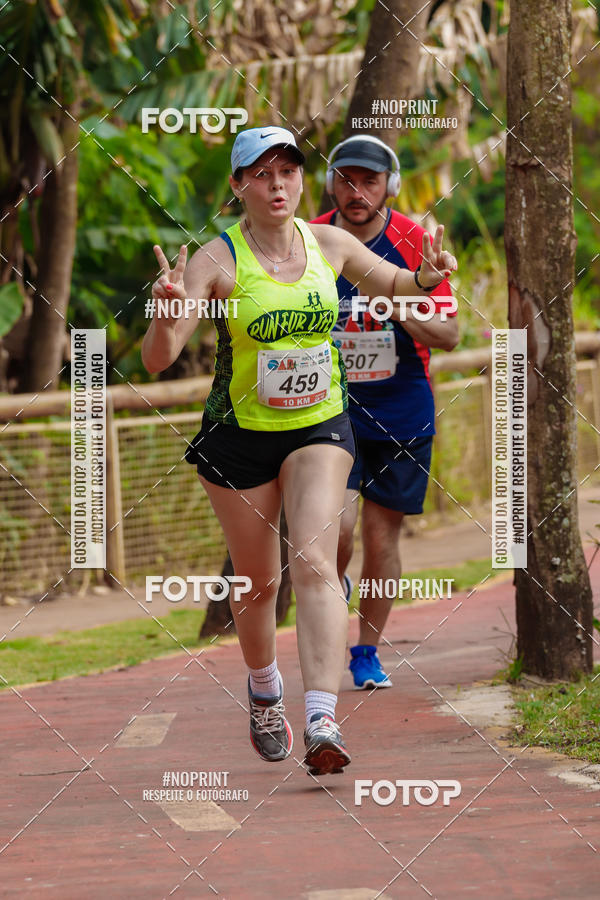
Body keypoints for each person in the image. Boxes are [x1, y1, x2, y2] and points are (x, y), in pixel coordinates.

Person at [141, 127, 457, 774]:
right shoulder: (215, 261)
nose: (278, 184)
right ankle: (264, 688)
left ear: (300, 181)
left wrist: (425, 275)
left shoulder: (331, 243)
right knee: (258, 585)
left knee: (314, 561)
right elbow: (158, 359)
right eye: (261, 174)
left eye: (288, 171)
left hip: (320, 424)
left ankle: (321, 717)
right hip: (240, 436)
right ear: (239, 187)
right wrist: (164, 310)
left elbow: (403, 287)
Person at [312, 135, 459, 689]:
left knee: (381, 540)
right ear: (332, 184)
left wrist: (393, 302)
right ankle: (332, 590)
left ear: (389, 186)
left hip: (401, 409)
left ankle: (366, 653)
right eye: (346, 179)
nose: (357, 191)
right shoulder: (311, 240)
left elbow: (448, 333)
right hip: (329, 407)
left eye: (369, 180)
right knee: (337, 530)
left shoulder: (415, 241)